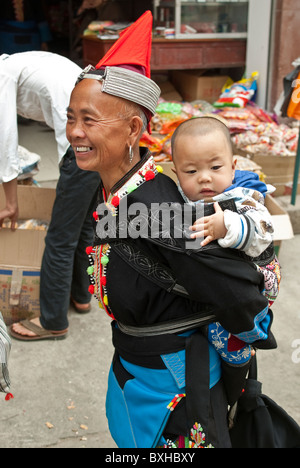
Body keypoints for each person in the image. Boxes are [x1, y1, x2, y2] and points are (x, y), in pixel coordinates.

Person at [65, 11, 276, 448]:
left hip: (176, 390)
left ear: (133, 130)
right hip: (139, 373)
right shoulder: (117, 192)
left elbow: (243, 295)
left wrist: (242, 351)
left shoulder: (157, 209)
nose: (74, 132)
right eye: (71, 118)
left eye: (89, 120)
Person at [1, 51, 101, 341]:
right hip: (99, 139)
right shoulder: (23, 62)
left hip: (82, 146)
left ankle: (53, 320)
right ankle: (81, 296)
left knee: (59, 238)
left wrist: (10, 203)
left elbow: (5, 139)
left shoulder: (3, 74)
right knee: (83, 226)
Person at [171, 116, 281, 365]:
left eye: (215, 168)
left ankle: (241, 354)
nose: (204, 178)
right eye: (191, 171)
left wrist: (228, 225)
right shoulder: (182, 200)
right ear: (176, 173)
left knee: (226, 334)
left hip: (257, 279)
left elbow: (264, 230)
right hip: (214, 281)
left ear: (233, 167)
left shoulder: (242, 195)